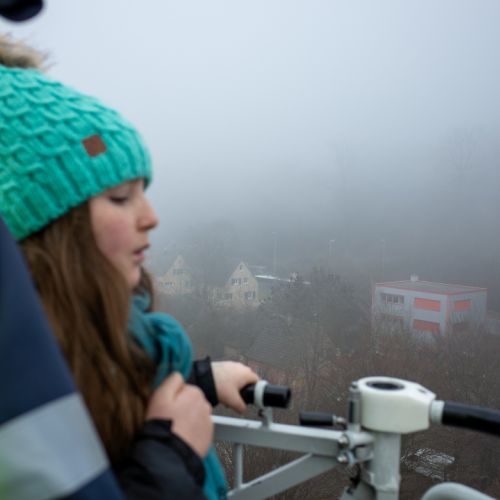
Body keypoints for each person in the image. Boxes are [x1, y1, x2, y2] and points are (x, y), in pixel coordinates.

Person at [0, 35, 258, 499]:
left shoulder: (101, 335)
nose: (151, 216)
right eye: (120, 197)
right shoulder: (21, 376)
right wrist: (171, 452)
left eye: (144, 191)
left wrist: (197, 379)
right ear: (51, 228)